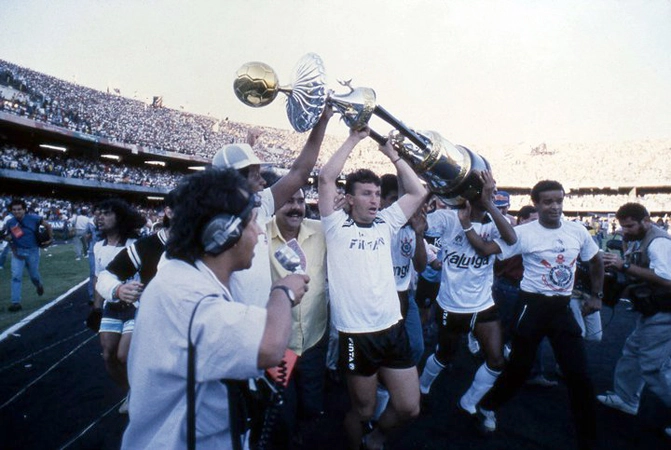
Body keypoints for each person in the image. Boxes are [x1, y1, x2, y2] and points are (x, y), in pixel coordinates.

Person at [121, 168, 309, 450]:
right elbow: (270, 347)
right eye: (252, 222)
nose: (259, 232)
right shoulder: (189, 300)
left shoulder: (180, 275)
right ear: (224, 233)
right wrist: (283, 293)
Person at [467, 180, 604, 450]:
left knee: (579, 374)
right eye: (548, 202)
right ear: (537, 204)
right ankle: (487, 406)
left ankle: (588, 437)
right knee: (519, 368)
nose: (554, 206)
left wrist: (597, 295)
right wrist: (469, 222)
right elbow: (486, 250)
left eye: (559, 201)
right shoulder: (524, 233)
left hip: (562, 308)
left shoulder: (577, 231)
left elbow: (596, 260)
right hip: (531, 307)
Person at [318, 128, 427, 450]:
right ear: (349, 199)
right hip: (357, 334)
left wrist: (392, 154)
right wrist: (354, 138)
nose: (374, 200)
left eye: (377, 194)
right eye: (366, 194)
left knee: (410, 407)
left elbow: (418, 192)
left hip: (392, 329)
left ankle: (375, 440)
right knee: (362, 410)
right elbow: (326, 178)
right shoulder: (336, 225)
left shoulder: (386, 222)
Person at [418, 170, 516, 418]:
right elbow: (416, 221)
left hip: (483, 304)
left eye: (491, 191)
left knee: (496, 361)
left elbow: (512, 239)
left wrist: (490, 205)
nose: (487, 194)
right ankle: (423, 387)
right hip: (451, 305)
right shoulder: (447, 218)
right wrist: (430, 190)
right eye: (484, 190)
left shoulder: (496, 224)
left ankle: (469, 401)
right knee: (444, 355)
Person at [212, 112, 331, 308]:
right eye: (255, 176)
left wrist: (322, 121)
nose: (263, 181)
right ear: (235, 182)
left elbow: (299, 173)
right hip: (236, 327)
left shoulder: (259, 206)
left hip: (260, 321)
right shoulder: (215, 227)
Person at [597, 203, 671, 430]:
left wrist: (624, 265)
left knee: (654, 366)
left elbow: (667, 279)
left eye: (630, 225)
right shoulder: (638, 238)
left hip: (664, 310)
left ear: (646, 221)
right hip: (651, 309)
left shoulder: (658, 242)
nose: (625, 230)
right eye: (623, 226)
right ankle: (627, 398)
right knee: (633, 352)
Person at [267, 188, 328, 446]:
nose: (296, 207)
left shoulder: (322, 231)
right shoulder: (261, 236)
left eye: (300, 201)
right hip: (279, 346)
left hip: (314, 339)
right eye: (288, 201)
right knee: (281, 410)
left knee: (313, 406)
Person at [91, 198, 145, 410]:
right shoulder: (98, 247)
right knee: (108, 355)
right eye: (98, 213)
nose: (100, 217)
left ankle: (142, 390)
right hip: (111, 307)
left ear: (120, 218)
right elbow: (98, 279)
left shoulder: (135, 245)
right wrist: (96, 308)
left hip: (136, 307)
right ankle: (131, 391)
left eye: (106, 213)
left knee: (124, 354)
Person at [3, 198, 52, 312]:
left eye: (19, 209)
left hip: (32, 251)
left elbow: (48, 226)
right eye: (14, 210)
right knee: (16, 276)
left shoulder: (34, 218)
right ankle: (16, 303)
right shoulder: (10, 222)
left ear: (24, 210)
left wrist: (50, 239)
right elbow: (7, 236)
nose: (17, 212)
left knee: (34, 276)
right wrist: (12, 247)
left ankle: (39, 285)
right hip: (18, 252)